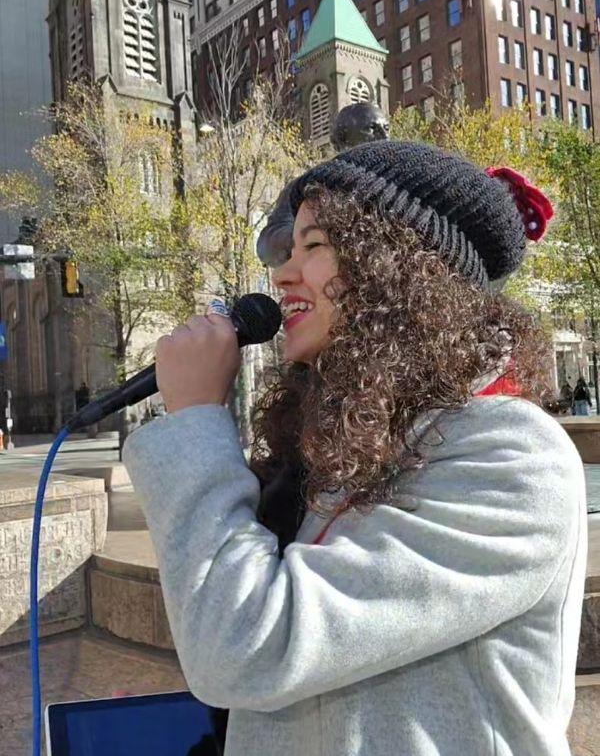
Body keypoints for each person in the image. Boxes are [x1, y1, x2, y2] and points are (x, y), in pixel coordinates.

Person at [123, 140, 587, 756]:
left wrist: (197, 420)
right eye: (288, 250)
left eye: (314, 246)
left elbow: (248, 644)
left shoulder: (512, 456)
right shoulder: (348, 446)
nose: (283, 274)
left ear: (399, 269)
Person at [256, 102, 389, 269]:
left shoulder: (400, 186)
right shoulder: (308, 186)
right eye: (371, 129)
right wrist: (317, 237)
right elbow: (267, 246)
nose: (384, 137)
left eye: (387, 128)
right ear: (343, 139)